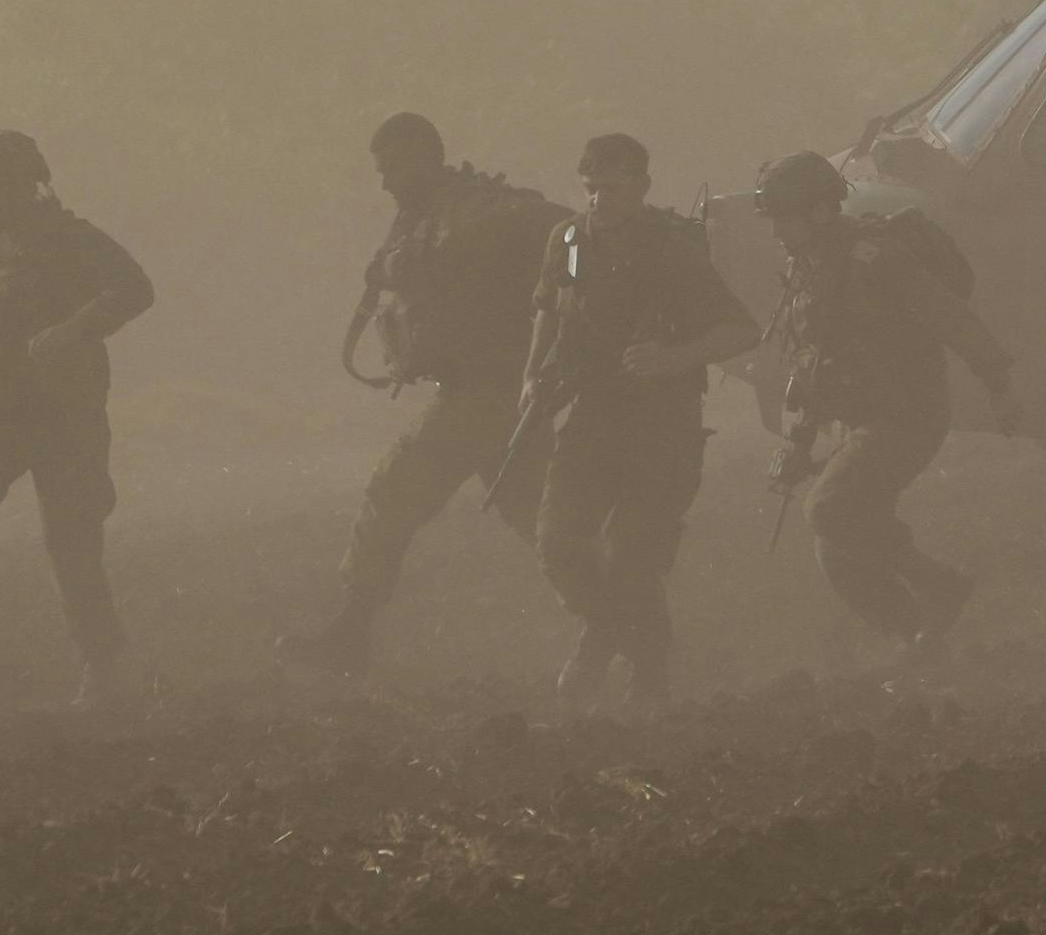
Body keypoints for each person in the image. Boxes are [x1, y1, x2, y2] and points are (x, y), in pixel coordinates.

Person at [279, 114, 568, 676]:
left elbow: (565, 236)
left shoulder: (482, 210)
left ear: (421, 159)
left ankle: (349, 638)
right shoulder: (421, 217)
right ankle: (626, 624)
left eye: (390, 167)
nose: (384, 181)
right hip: (486, 396)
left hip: (489, 395)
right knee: (540, 523)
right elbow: (389, 272)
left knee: (394, 491)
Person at [0, 130, 155, 701]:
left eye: (1, 185)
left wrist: (69, 333)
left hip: (65, 412)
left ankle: (103, 660)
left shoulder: (74, 240)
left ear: (33, 180)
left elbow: (135, 289)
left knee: (70, 537)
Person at [752, 151, 1022, 667]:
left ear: (819, 213)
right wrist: (799, 442)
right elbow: (814, 361)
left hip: (908, 415)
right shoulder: (807, 270)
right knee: (839, 555)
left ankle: (941, 586)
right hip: (860, 420)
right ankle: (919, 642)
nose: (776, 235)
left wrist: (998, 385)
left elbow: (954, 320)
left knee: (829, 509)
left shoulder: (877, 260)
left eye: (783, 221)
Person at [518, 133, 759, 705]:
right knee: (558, 543)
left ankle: (648, 675)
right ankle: (605, 630)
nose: (600, 201)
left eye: (614, 189)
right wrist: (532, 376)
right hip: (592, 418)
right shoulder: (572, 240)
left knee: (634, 558)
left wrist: (672, 358)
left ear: (643, 188)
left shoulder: (671, 249)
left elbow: (742, 330)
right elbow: (549, 309)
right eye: (592, 189)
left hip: (662, 427)